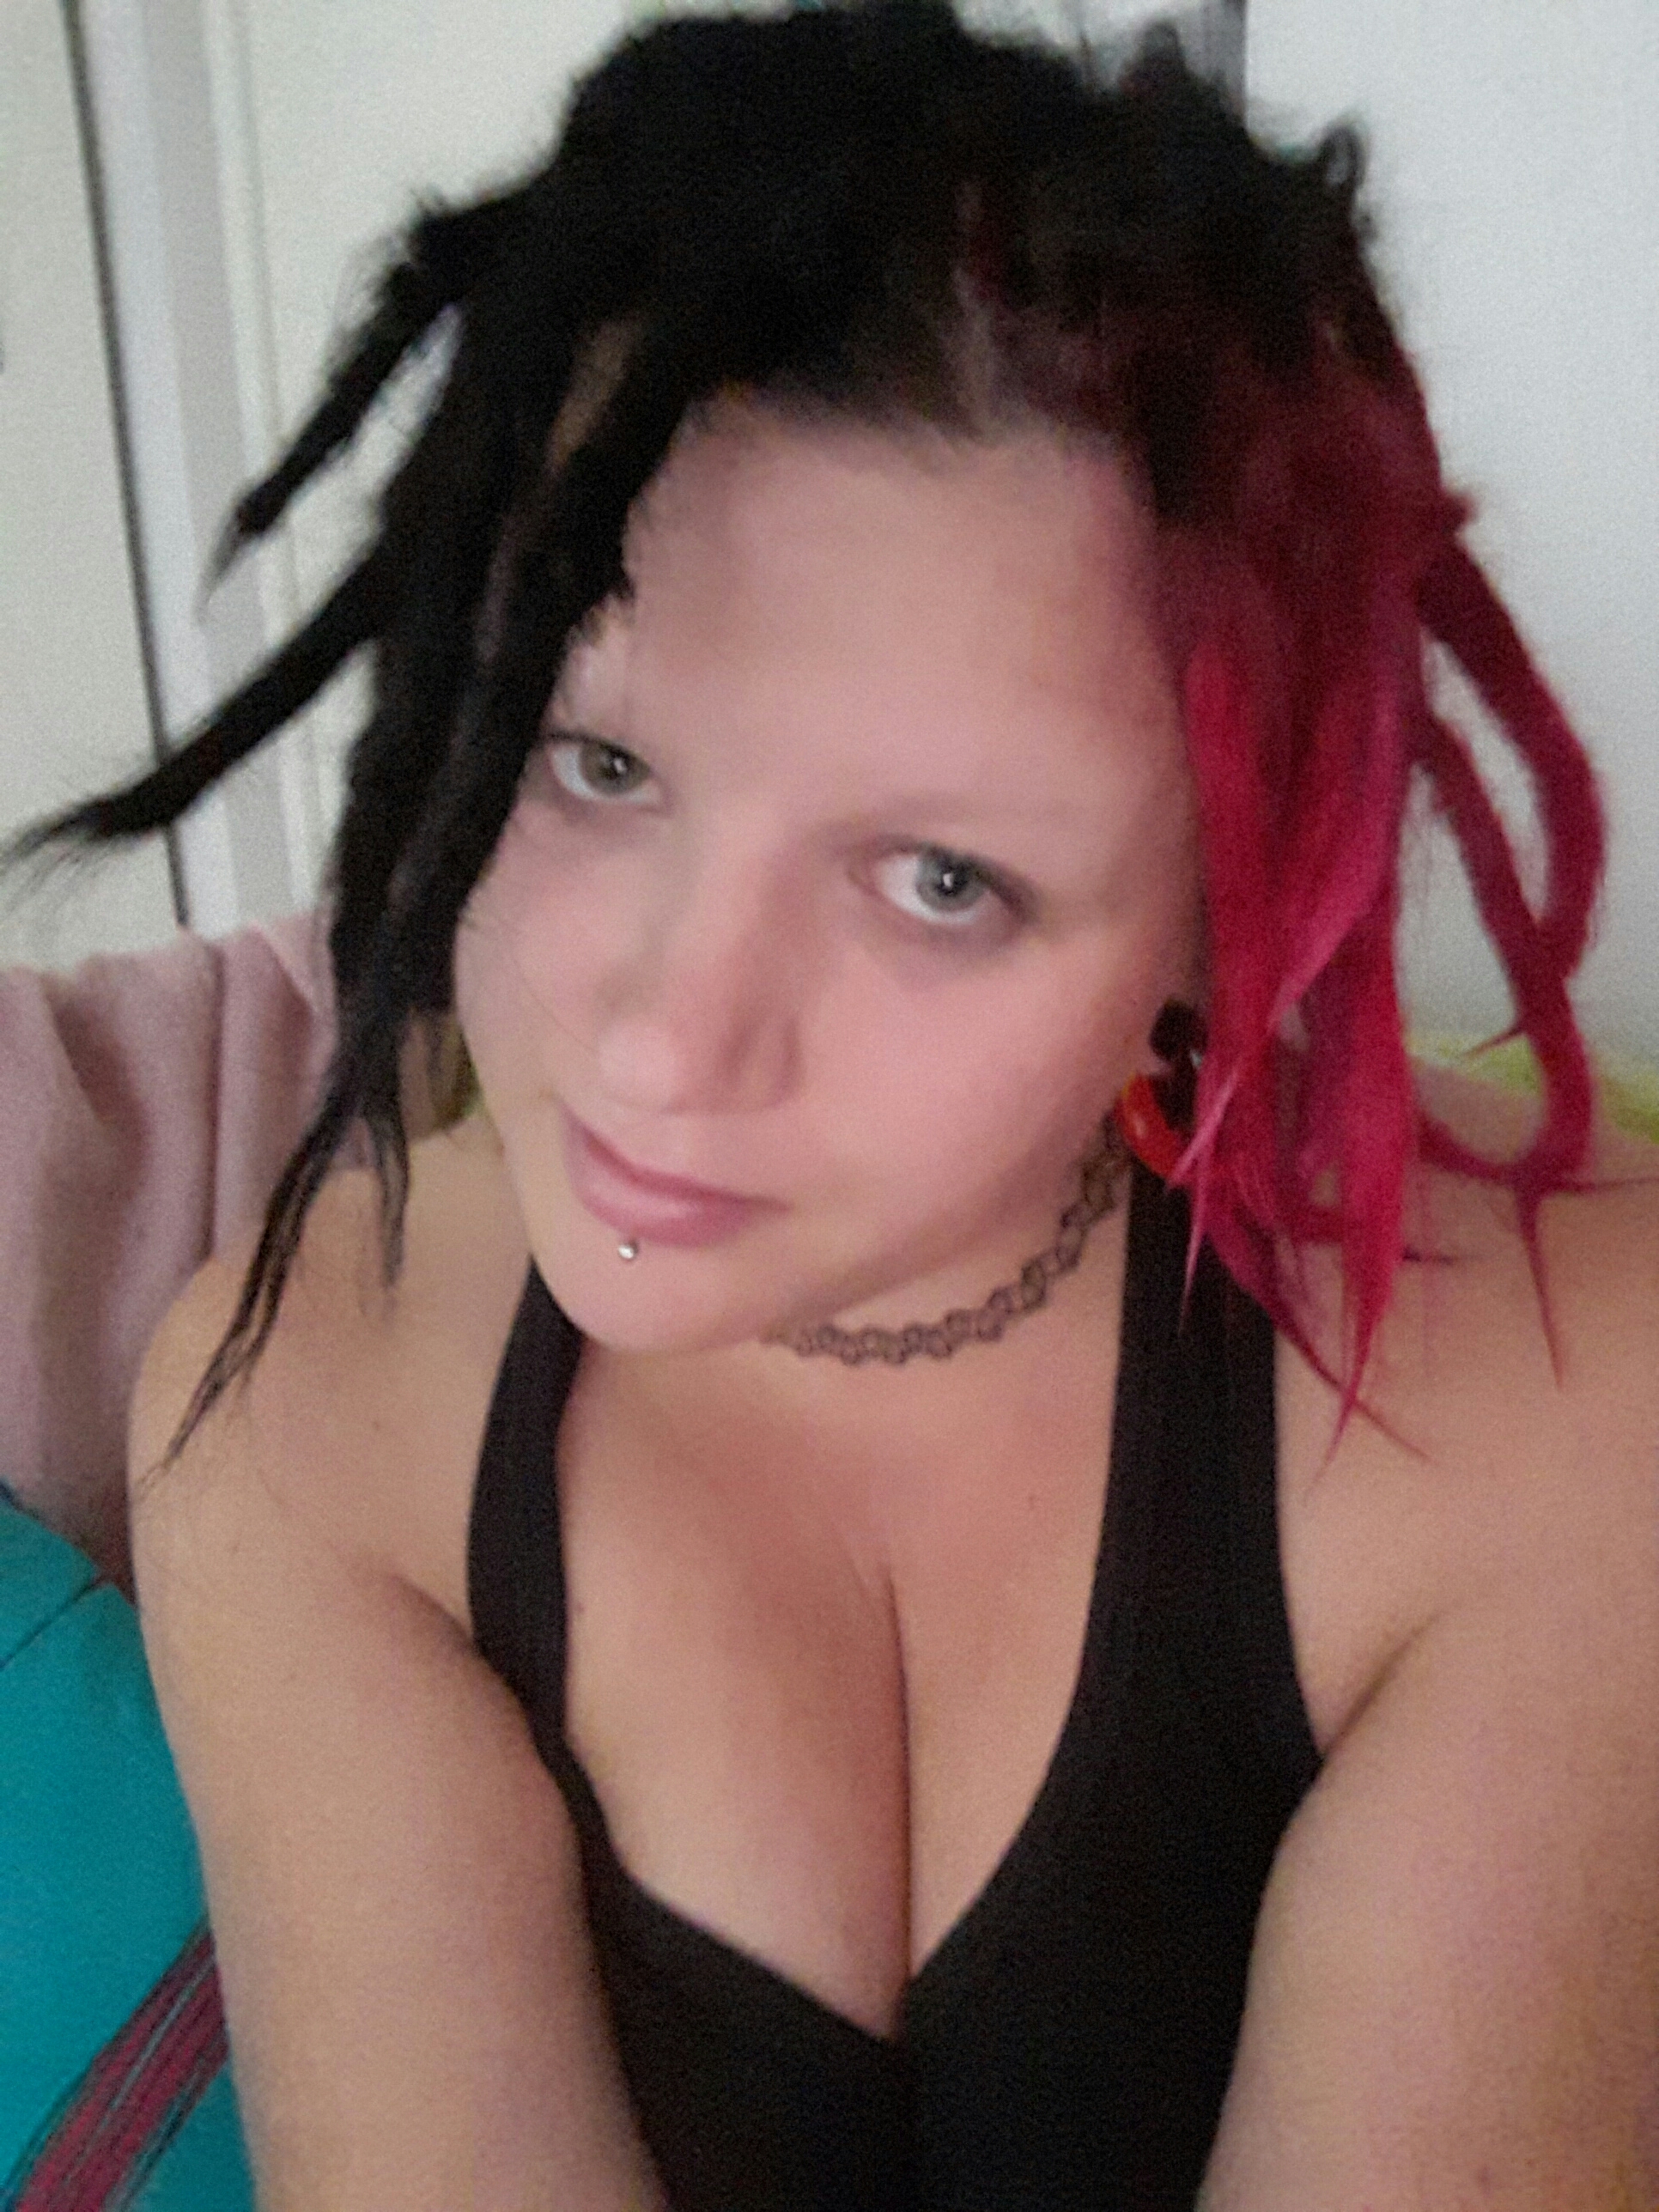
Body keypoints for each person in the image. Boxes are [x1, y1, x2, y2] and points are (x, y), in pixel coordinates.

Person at [13, 3, 1656, 2204]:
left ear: (1227, 906)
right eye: (596, 760)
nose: (663, 1043)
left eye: (941, 881)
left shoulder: (1563, 1378)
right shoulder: (300, 1403)